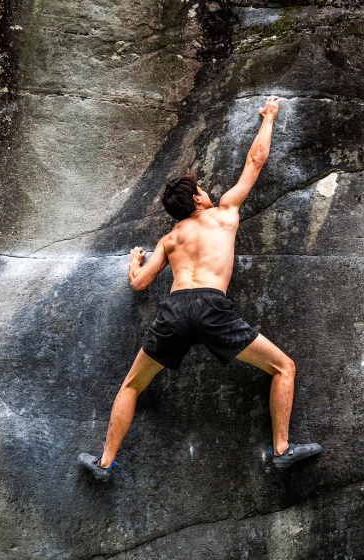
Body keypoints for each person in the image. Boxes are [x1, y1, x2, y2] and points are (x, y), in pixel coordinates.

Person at [78, 95, 321, 482]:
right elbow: (255, 162)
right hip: (211, 306)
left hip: (174, 309)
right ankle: (281, 450)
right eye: (202, 189)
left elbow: (140, 283)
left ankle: (105, 463)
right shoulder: (223, 213)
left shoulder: (170, 239)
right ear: (196, 199)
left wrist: (133, 260)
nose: (207, 192)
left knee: (131, 385)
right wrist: (269, 117)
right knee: (283, 367)